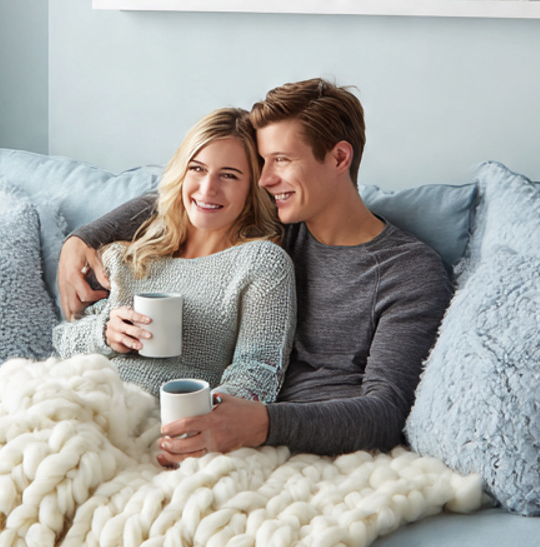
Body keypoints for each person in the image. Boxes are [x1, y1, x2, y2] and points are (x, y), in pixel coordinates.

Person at [59, 79, 452, 467]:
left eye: (281, 160)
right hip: (226, 429)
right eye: (262, 163)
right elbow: (186, 196)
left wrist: (262, 424)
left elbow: (385, 411)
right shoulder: (280, 220)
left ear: (338, 159)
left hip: (307, 446)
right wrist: (81, 239)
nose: (264, 180)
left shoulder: (409, 272)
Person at [52, 107, 296, 405]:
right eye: (197, 169)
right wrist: (104, 333)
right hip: (78, 394)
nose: (208, 189)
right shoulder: (133, 255)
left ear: (252, 187)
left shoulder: (261, 263)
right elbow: (63, 340)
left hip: (153, 421)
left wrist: (194, 413)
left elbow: (258, 372)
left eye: (229, 176)